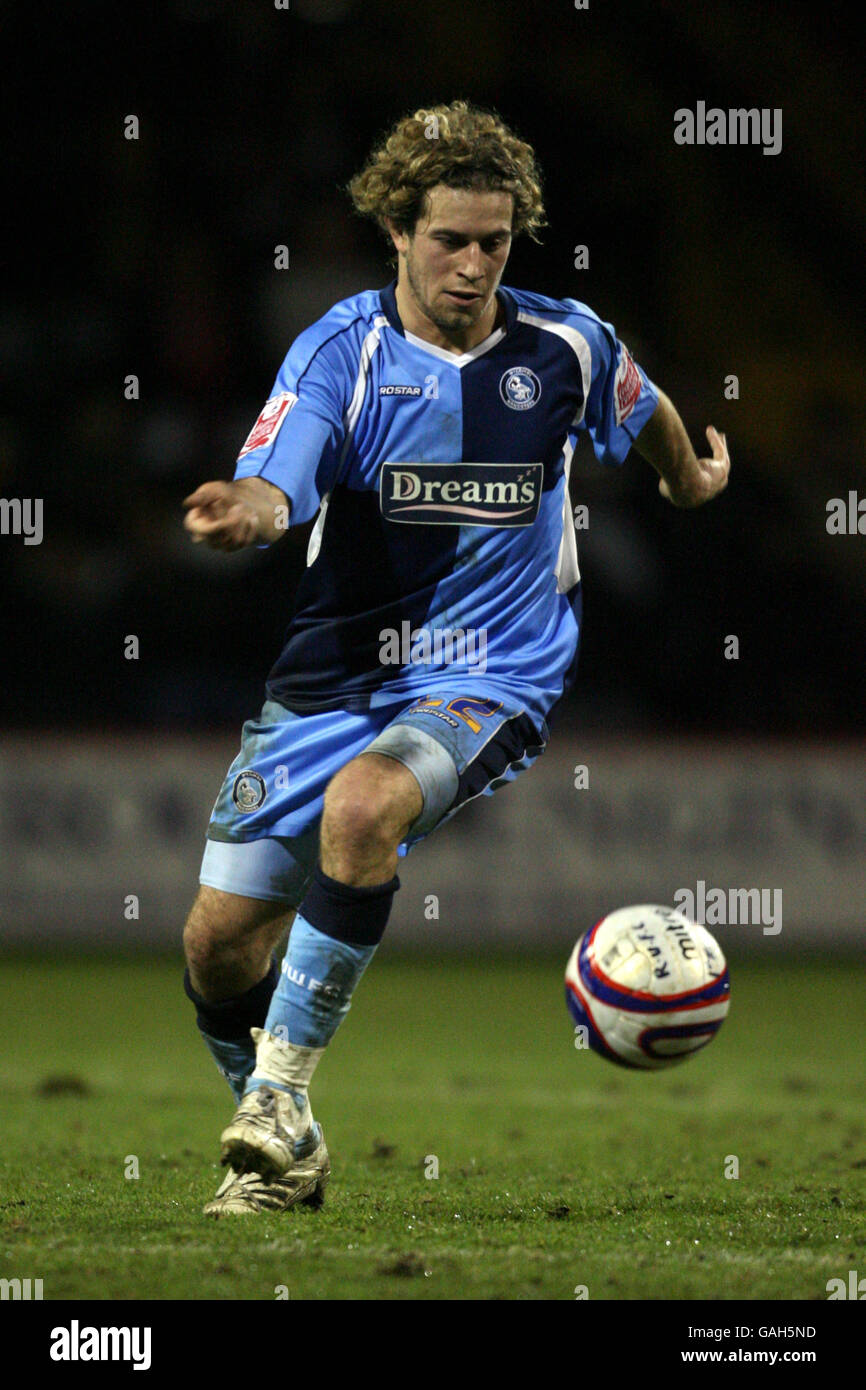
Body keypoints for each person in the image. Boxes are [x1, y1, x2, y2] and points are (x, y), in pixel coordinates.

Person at [181, 101, 730, 1216]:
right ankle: (290, 1149)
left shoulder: (565, 344)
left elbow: (649, 406)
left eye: (493, 241)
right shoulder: (342, 350)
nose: (474, 265)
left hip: (494, 673)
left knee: (361, 808)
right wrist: (250, 508)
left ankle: (277, 1100)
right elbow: (281, 470)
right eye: (449, 240)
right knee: (217, 950)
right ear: (396, 229)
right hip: (332, 671)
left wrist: (684, 477)